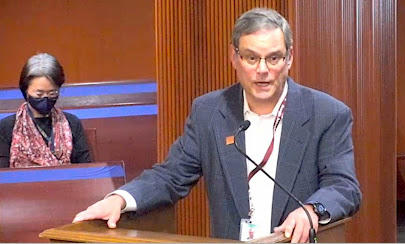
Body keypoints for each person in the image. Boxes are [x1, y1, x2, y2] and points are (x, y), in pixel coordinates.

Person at [73, 8, 361, 243]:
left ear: (289, 59)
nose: (262, 70)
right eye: (251, 57)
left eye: (273, 58)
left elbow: (344, 186)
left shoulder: (327, 113)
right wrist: (121, 199)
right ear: (234, 57)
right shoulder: (209, 111)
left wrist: (312, 209)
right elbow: (171, 175)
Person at [0, 53, 91, 168]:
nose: (45, 98)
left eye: (52, 93)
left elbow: (86, 168)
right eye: (39, 94)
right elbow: (2, 174)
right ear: (26, 91)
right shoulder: (6, 127)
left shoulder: (72, 123)